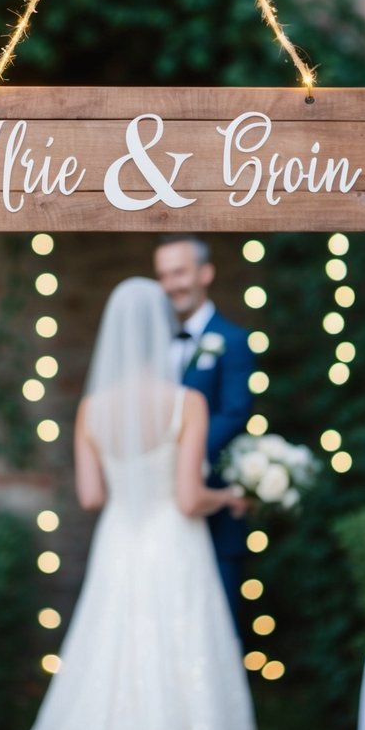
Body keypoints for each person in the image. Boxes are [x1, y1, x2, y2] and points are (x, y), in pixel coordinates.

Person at [17, 277, 259, 730]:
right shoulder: (185, 402)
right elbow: (189, 498)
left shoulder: (89, 411)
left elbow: (91, 496)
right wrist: (230, 497)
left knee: (109, 654)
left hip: (119, 542)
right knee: (183, 649)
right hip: (174, 540)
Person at [154, 236, 254, 629]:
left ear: (205, 273)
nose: (170, 284)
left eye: (178, 272)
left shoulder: (234, 341)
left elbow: (235, 411)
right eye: (162, 275)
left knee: (217, 626)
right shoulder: (150, 345)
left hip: (212, 502)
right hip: (161, 509)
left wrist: (185, 460)